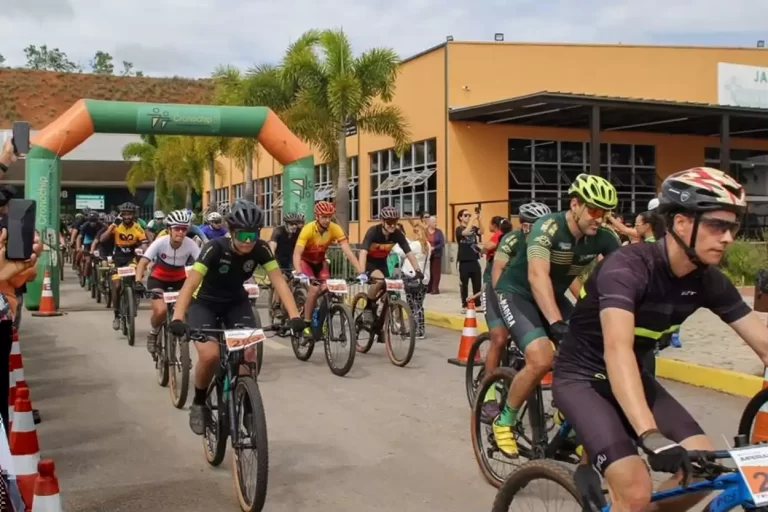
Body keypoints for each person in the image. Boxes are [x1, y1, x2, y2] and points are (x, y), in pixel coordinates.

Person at [552, 167, 768, 511]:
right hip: (583, 378)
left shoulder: (708, 280)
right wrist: (650, 435)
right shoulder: (627, 269)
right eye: (717, 225)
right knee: (636, 489)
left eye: (732, 227)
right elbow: (617, 350)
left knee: (700, 470)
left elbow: (764, 343)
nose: (728, 237)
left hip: (634, 377)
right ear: (681, 223)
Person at [491, 174, 621, 457]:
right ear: (575, 204)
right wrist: (556, 324)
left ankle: (565, 417)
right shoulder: (547, 227)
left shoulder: (604, 238)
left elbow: (622, 280)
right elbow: (537, 276)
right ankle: (504, 421)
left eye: (606, 212)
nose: (600, 218)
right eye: (595, 210)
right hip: (517, 293)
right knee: (541, 358)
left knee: (586, 359)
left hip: (554, 295)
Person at [168, 200, 305, 435]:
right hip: (205, 304)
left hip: (236, 303)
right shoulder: (214, 248)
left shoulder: (261, 249)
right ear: (232, 232)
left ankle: (250, 408)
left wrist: (294, 316)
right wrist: (178, 317)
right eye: (243, 234)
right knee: (210, 356)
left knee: (249, 354)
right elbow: (190, 285)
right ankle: (199, 402)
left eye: (253, 234)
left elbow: (279, 282)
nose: (248, 240)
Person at [480, 202, 551, 417]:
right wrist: (506, 306)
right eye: (534, 225)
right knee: (499, 338)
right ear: (524, 226)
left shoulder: (547, 243)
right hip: (497, 290)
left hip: (525, 292)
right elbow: (498, 272)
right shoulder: (511, 240)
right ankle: (487, 395)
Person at [293, 201, 365, 336]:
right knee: (314, 289)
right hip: (305, 263)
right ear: (317, 216)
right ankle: (307, 324)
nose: (327, 220)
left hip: (320, 263)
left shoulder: (335, 228)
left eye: (329, 217)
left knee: (330, 290)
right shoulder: (308, 229)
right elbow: (297, 253)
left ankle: (322, 321)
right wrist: (299, 272)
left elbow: (348, 252)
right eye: (324, 216)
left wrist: (361, 271)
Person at [136, 210, 201, 355]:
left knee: (191, 309)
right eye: (177, 228)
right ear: (168, 230)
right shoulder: (160, 242)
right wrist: (138, 281)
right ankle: (153, 333)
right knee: (161, 311)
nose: (180, 232)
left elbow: (203, 265)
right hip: (158, 279)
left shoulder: (190, 244)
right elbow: (142, 263)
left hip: (180, 280)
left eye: (184, 229)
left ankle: (184, 348)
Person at [358, 206, 423, 325]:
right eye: (389, 222)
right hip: (369, 262)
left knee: (390, 286)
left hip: (382, 262)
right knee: (379, 281)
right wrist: (362, 272)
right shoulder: (373, 231)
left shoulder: (397, 234)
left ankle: (385, 314)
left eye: (395, 222)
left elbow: (409, 252)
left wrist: (417, 271)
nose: (392, 225)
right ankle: (368, 307)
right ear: (382, 221)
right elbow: (363, 252)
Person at [100, 203, 148, 330]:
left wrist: (142, 250)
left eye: (130, 214)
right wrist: (113, 226)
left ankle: (133, 300)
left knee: (134, 278)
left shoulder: (138, 228)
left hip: (131, 258)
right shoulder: (116, 226)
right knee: (116, 285)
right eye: (125, 214)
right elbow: (103, 239)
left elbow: (144, 243)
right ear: (121, 214)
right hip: (117, 259)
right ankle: (116, 315)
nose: (127, 216)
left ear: (134, 215)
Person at [393, 221, 430, 339]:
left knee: (411, 305)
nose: (414, 234)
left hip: (411, 277)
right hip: (424, 279)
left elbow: (402, 251)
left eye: (415, 232)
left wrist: (394, 243)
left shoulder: (417, 245)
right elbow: (409, 244)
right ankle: (420, 329)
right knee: (419, 305)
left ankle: (416, 331)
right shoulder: (427, 245)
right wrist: (403, 238)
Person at [268, 212, 304, 316]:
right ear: (286, 224)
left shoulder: (298, 233)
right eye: (291, 224)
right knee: (282, 280)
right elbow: (272, 248)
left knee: (300, 279)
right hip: (278, 260)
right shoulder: (278, 231)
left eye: (296, 224)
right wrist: (273, 263)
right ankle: (277, 305)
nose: (294, 226)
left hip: (291, 260)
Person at [455, 208, 483, 312]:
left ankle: (478, 304)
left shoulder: (474, 228)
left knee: (477, 283)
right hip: (464, 261)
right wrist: (472, 220)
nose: (468, 217)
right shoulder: (458, 229)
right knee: (464, 285)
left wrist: (479, 219)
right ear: (460, 217)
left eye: (469, 215)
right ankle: (465, 305)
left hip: (474, 260)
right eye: (465, 215)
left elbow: (482, 231)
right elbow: (465, 233)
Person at [425, 216, 444, 294]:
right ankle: (428, 288)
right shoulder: (425, 231)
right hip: (427, 254)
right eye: (433, 222)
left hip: (436, 254)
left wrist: (434, 248)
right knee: (428, 271)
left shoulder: (439, 232)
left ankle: (435, 288)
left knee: (435, 272)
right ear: (429, 223)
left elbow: (442, 243)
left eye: (436, 222)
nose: (435, 224)